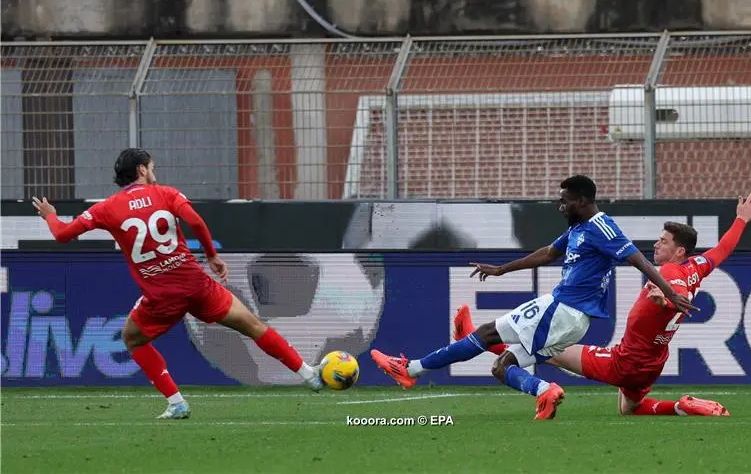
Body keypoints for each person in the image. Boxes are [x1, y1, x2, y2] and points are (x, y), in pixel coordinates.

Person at [371, 175, 696, 419]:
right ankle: (415, 370)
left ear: (583, 200)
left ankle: (412, 369)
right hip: (567, 314)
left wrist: (669, 292)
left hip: (564, 309)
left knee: (492, 347)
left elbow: (636, 258)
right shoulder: (578, 228)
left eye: (565, 200)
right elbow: (547, 253)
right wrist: (502, 270)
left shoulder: (602, 226)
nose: (560, 206)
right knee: (496, 354)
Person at [32, 148, 323, 420]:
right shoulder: (166, 194)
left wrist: (51, 215)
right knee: (253, 325)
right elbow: (195, 221)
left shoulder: (106, 209)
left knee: (133, 339)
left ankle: (176, 402)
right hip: (196, 284)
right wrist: (211, 256)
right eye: (152, 167)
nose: (154, 172)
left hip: (161, 295)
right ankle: (309, 374)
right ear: (142, 169)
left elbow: (62, 234)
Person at [453, 190, 751, 417]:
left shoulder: (670, 273)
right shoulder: (696, 265)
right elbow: (722, 250)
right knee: (631, 410)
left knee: (548, 348)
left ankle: (477, 339)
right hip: (653, 363)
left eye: (664, 241)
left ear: (679, 251)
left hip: (624, 361)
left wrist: (663, 297)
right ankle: (682, 407)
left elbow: (672, 290)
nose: (657, 244)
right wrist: (741, 219)